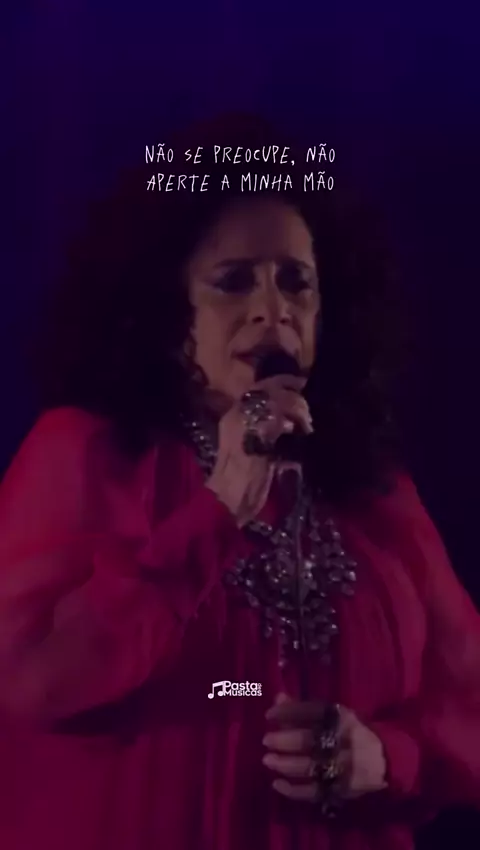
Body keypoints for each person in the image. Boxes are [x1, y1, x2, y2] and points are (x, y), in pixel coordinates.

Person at [0, 114, 479, 850]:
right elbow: (32, 681)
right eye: (233, 282)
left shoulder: (375, 496)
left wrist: (387, 758)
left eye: (297, 282)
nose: (272, 308)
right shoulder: (87, 455)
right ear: (171, 320)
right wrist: (217, 507)